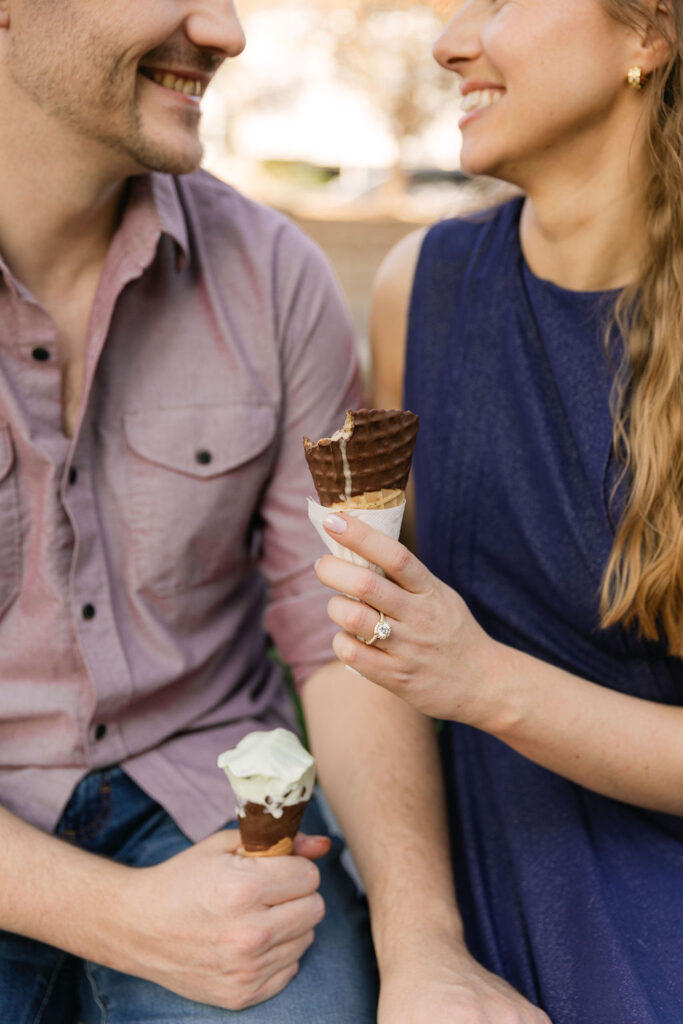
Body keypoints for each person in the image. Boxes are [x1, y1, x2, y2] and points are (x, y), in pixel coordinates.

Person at [0, 2, 484, 1022]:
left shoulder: (276, 279)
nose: (223, 30)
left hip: (208, 802)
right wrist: (119, 916)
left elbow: (342, 640)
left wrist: (423, 948)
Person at [315, 1, 683, 1021]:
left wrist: (480, 680)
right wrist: (416, 940)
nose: (445, 43)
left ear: (645, 36)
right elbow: (374, 642)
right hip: (462, 859)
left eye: (499, 2)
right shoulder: (416, 288)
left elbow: (447, 665)